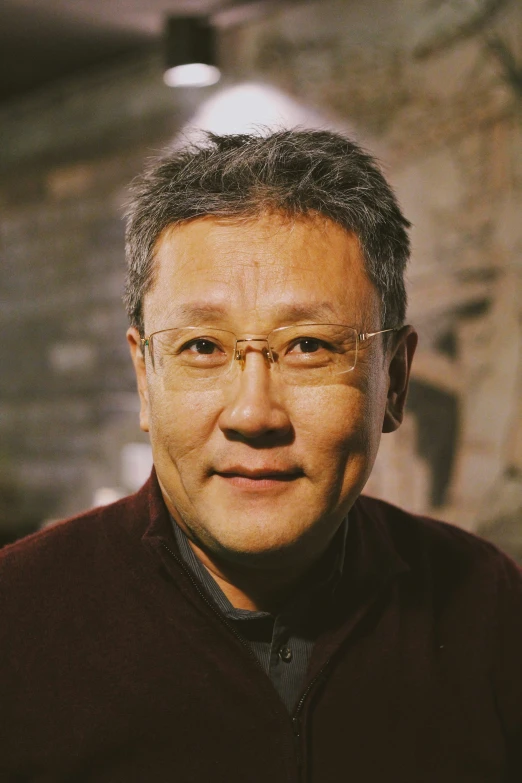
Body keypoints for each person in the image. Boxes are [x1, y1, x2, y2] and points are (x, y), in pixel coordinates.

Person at [1, 130, 521, 783]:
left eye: (309, 345)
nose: (254, 413)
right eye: (201, 347)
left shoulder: (486, 606)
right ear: (144, 374)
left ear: (397, 377)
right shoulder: (17, 620)